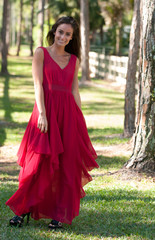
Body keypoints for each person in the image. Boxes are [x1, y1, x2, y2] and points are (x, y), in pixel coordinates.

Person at [6, 16, 99, 229]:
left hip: (68, 115)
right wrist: (42, 114)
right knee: (37, 163)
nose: (63, 37)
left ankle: (59, 214)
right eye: (60, 32)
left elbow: (74, 90)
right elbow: (38, 85)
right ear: (54, 31)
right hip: (45, 111)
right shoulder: (41, 53)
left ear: (72, 38)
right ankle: (23, 210)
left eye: (68, 34)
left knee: (66, 165)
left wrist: (79, 118)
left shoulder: (74, 60)